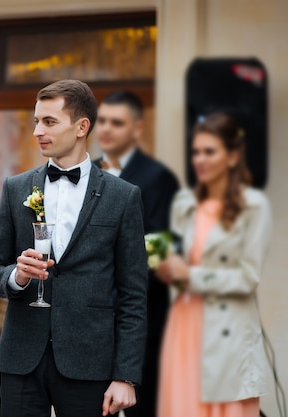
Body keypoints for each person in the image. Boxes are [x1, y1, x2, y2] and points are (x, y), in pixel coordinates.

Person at [0, 79, 148, 417]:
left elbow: (133, 295)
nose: (37, 131)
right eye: (36, 122)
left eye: (49, 122)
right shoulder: (16, 189)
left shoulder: (123, 196)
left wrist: (126, 376)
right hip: (21, 361)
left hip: (90, 365)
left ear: (81, 127)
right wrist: (17, 276)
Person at [156, 112, 271, 417]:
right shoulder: (184, 203)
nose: (199, 159)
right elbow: (178, 256)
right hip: (184, 324)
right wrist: (166, 265)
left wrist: (191, 275)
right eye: (195, 152)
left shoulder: (254, 206)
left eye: (209, 151)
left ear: (233, 156)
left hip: (227, 332)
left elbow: (248, 278)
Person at [93, 90, 179, 417]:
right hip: (92, 327)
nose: (106, 129)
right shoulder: (89, 173)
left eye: (117, 122)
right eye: (102, 120)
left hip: (138, 323)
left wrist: (108, 293)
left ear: (137, 128)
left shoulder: (158, 178)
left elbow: (157, 251)